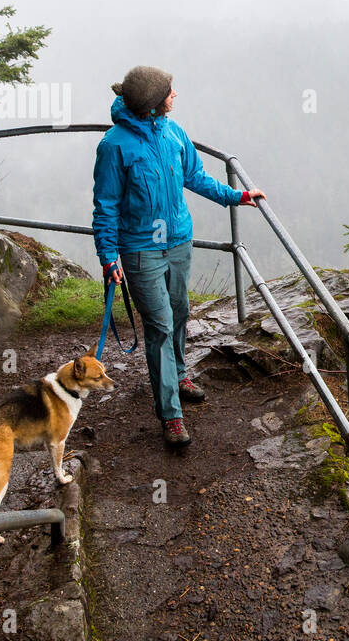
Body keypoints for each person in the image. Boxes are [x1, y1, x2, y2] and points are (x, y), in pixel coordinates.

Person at [92, 65, 264, 447]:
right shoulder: (114, 146)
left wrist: (237, 196)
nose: (175, 96)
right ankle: (170, 414)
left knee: (180, 311)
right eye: (170, 92)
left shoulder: (174, 132)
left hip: (179, 242)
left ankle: (180, 373)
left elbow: (195, 175)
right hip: (140, 251)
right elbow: (105, 206)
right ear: (153, 105)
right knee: (160, 327)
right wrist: (108, 256)